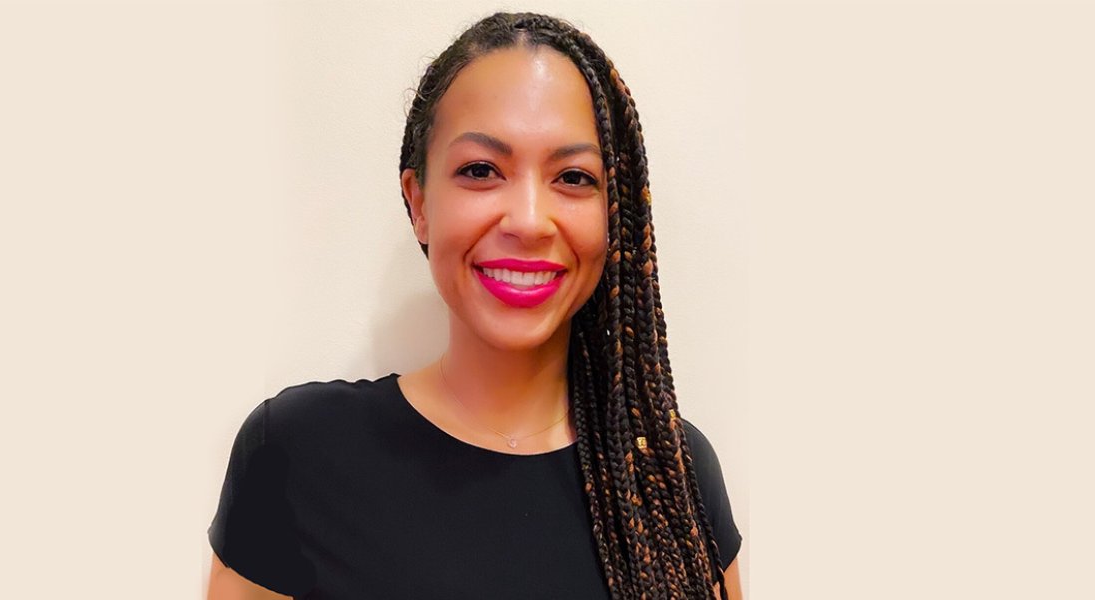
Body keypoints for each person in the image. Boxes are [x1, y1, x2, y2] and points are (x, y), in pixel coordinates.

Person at [207, 12, 743, 600]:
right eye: (481, 171)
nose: (530, 221)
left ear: (613, 215)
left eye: (572, 177)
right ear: (419, 203)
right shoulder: (295, 452)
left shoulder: (671, 477)